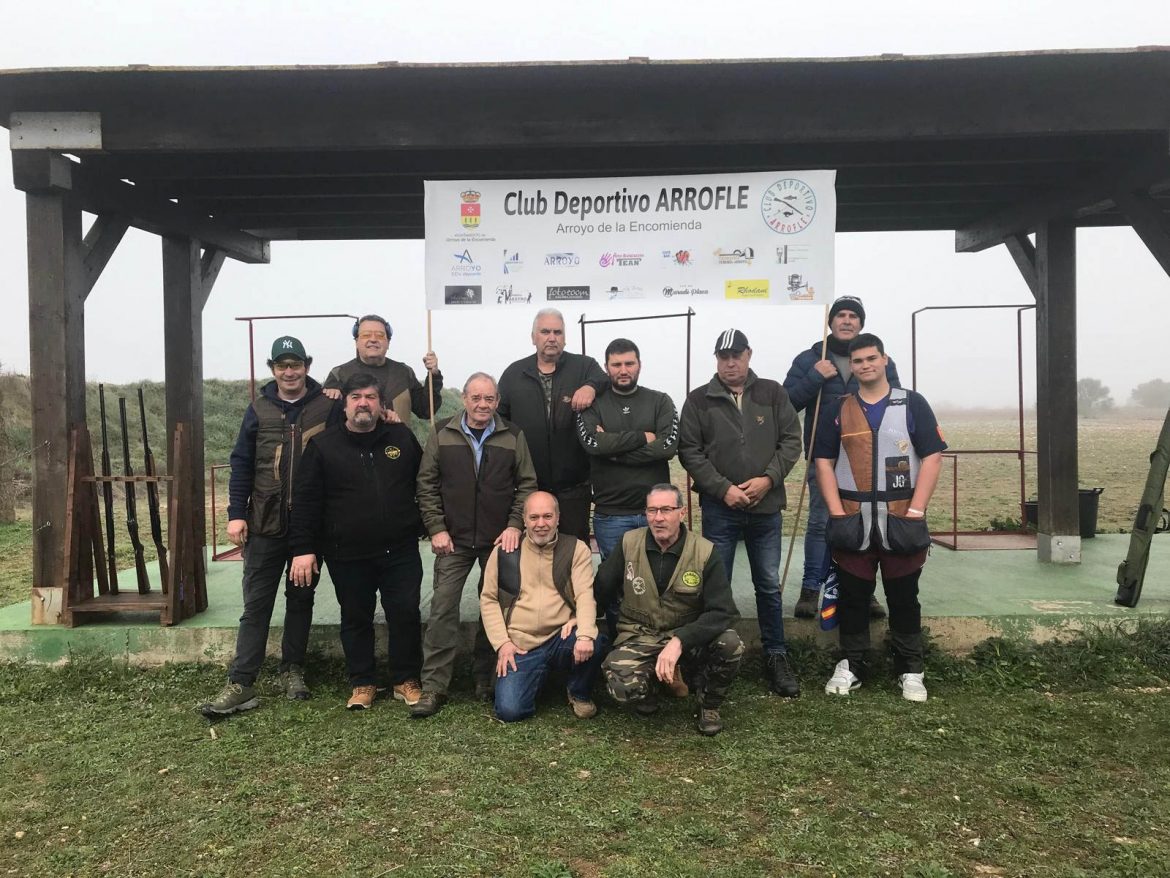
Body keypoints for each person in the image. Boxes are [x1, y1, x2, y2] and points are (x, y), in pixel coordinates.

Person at [201, 336, 341, 718]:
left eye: (296, 364)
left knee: (300, 599)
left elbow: (363, 418)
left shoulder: (329, 407)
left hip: (309, 527)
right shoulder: (258, 409)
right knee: (256, 605)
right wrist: (235, 513)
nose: (290, 371)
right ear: (273, 369)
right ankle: (242, 681)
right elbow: (241, 463)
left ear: (308, 366)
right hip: (264, 522)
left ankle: (293, 669)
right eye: (282, 365)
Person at [813, 333, 945, 702]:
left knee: (905, 597)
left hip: (902, 519)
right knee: (853, 596)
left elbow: (933, 456)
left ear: (885, 360)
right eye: (857, 361)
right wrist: (837, 512)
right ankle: (852, 664)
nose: (865, 365)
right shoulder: (839, 408)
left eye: (872, 358)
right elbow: (823, 461)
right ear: (851, 367)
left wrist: (917, 509)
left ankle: (911, 668)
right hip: (853, 520)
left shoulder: (912, 404)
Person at [287, 373, 426, 711]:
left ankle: (405, 678)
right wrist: (303, 549)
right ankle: (362, 681)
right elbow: (306, 502)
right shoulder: (323, 446)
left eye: (370, 397)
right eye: (356, 397)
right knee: (355, 616)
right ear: (346, 404)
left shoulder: (402, 437)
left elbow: (426, 483)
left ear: (381, 404)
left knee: (405, 613)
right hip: (347, 553)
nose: (363, 403)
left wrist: (426, 525)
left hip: (400, 550)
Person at [678, 329, 803, 698]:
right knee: (717, 586)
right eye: (723, 356)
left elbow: (791, 441)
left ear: (748, 354)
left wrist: (769, 479)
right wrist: (723, 489)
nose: (730, 363)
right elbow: (690, 451)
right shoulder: (699, 400)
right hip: (721, 510)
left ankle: (776, 655)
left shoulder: (773, 393)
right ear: (716, 359)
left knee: (767, 585)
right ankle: (709, 657)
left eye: (736, 355)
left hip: (766, 510)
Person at [411, 372, 539, 718]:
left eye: (489, 399)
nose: (483, 405)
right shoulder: (442, 433)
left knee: (496, 608)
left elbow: (526, 485)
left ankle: (485, 677)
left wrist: (514, 525)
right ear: (464, 399)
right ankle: (435, 686)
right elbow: (426, 485)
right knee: (442, 609)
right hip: (452, 540)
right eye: (476, 398)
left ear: (497, 401)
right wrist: (436, 528)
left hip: (498, 540)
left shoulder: (513, 436)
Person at [784, 295, 901, 620]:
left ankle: (864, 593)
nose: (847, 320)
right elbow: (785, 403)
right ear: (830, 321)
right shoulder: (811, 359)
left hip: (868, 458)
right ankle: (811, 589)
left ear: (861, 323)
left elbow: (896, 402)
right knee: (821, 521)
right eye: (841, 315)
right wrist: (814, 378)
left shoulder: (879, 361)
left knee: (866, 522)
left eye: (853, 316)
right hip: (824, 457)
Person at [595, 484, 744, 736]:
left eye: (666, 509)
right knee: (622, 687)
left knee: (731, 644)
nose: (658, 518)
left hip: (688, 637)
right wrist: (580, 623)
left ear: (682, 513)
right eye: (652, 510)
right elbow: (600, 590)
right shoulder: (628, 543)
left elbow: (723, 611)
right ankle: (653, 685)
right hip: (640, 635)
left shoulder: (705, 551)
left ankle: (708, 704)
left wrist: (680, 640)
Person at [479, 491, 608, 722]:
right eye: (534, 517)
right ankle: (535, 675)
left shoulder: (575, 549)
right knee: (510, 711)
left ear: (558, 518)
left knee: (595, 641)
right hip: (520, 644)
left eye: (548, 516)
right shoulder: (505, 552)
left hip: (561, 636)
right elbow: (488, 599)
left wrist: (585, 633)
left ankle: (578, 692)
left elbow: (585, 595)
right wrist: (502, 644)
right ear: (525, 520)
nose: (541, 524)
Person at [497, 308, 607, 541]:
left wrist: (590, 387)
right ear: (533, 337)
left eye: (557, 332)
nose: (551, 337)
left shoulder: (584, 367)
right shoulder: (514, 374)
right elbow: (499, 423)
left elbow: (603, 379)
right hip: (529, 486)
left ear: (565, 338)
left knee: (575, 549)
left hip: (574, 486)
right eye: (545, 331)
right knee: (532, 552)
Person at [576, 337, 679, 559]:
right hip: (611, 515)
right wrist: (644, 436)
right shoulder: (592, 405)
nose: (623, 370)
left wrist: (612, 453)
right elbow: (593, 445)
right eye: (616, 365)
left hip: (655, 512)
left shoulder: (661, 401)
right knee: (615, 582)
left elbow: (666, 448)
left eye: (629, 364)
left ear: (639, 365)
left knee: (658, 578)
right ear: (606, 368)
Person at [323, 313, 443, 424]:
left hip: (398, 444)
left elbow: (426, 410)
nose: (373, 339)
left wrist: (434, 376)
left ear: (388, 342)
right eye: (366, 335)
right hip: (352, 445)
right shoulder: (339, 374)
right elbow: (328, 419)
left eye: (380, 335)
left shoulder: (403, 372)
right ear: (356, 341)